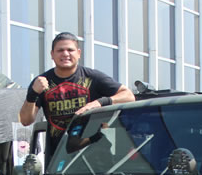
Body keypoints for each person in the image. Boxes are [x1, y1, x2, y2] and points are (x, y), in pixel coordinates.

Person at [18, 32, 135, 161]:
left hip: (96, 158)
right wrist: (32, 94)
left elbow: (129, 96)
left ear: (79, 53)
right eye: (60, 50)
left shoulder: (93, 77)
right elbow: (25, 120)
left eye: (70, 50)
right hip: (58, 161)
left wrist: (99, 102)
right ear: (52, 54)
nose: (65, 54)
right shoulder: (41, 82)